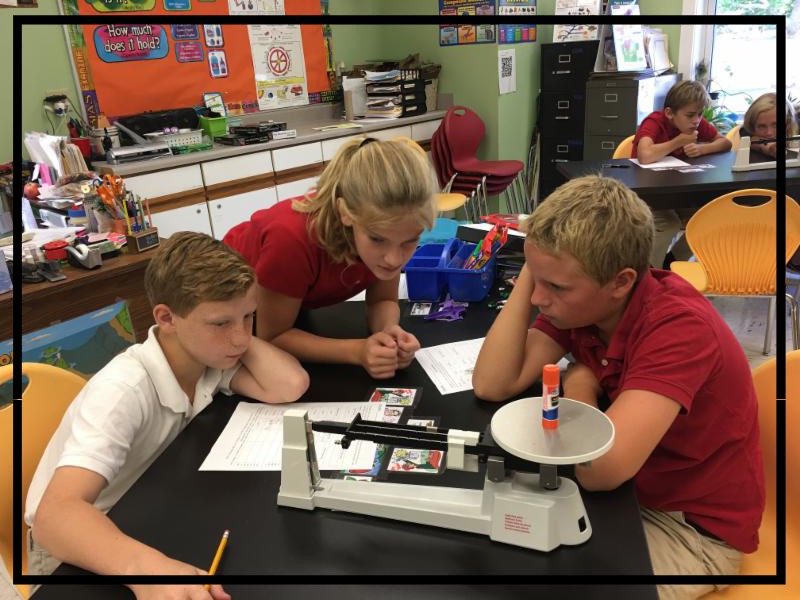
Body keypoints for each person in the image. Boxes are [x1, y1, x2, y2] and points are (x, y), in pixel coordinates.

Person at [472, 175, 764, 600]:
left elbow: (599, 472)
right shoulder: (586, 303)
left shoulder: (679, 328)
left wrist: (579, 385)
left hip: (689, 529)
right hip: (629, 495)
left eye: (555, 286)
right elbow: (492, 383)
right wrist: (535, 269)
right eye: (537, 279)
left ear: (621, 282)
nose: (538, 299)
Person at [25, 232, 309, 599]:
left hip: (147, 507)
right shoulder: (122, 391)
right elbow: (53, 518)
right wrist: (146, 570)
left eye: (249, 317)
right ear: (166, 318)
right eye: (220, 323)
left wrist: (230, 323)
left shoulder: (205, 358)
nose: (241, 338)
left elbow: (288, 385)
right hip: (77, 544)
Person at [224, 136, 437, 380]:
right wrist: (357, 351)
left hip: (288, 302)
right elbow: (273, 336)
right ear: (345, 213)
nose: (393, 259)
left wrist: (389, 332)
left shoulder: (385, 233)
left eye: (410, 240)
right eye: (377, 239)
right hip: (232, 304)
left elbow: (382, 301)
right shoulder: (291, 239)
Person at [632, 79, 732, 269]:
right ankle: (648, 273)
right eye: (690, 115)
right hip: (647, 194)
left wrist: (703, 149)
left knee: (710, 219)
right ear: (670, 113)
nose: (697, 120)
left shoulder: (694, 124)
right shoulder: (655, 121)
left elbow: (725, 143)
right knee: (668, 223)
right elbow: (644, 155)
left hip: (677, 194)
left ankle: (671, 263)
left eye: (700, 114)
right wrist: (678, 141)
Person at [741, 92, 799, 158]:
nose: (769, 133)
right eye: (762, 126)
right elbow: (751, 141)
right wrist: (771, 148)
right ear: (752, 126)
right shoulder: (745, 132)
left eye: (776, 125)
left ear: (788, 123)